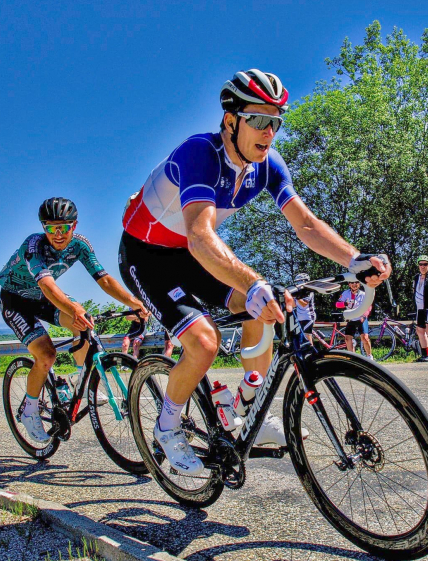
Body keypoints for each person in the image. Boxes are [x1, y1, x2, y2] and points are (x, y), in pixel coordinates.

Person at [119, 68, 391, 475]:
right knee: (205, 343)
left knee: (263, 310)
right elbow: (198, 234)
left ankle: (246, 405)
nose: (269, 132)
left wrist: (354, 260)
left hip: (194, 255)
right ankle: (168, 426)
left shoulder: (266, 165)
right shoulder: (200, 154)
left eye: (276, 122)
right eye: (259, 121)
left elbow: (306, 225)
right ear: (230, 121)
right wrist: (253, 281)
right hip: (149, 255)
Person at [0, 197, 149, 443]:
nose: (58, 234)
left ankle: (79, 378)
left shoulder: (80, 245)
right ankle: (30, 410)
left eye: (64, 227)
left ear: (74, 226)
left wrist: (133, 303)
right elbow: (47, 286)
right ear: (43, 227)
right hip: (16, 300)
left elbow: (105, 279)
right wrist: (73, 308)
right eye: (51, 228)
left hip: (44, 298)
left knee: (85, 322)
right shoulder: (34, 245)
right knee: (46, 355)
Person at [337, 280, 373, 359]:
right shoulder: (345, 293)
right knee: (347, 338)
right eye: (352, 283)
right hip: (351, 319)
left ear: (359, 284)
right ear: (349, 284)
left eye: (356, 283)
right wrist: (345, 303)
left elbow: (369, 306)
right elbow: (337, 304)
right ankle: (353, 358)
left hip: (361, 318)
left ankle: (369, 356)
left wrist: (364, 315)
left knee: (365, 338)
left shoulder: (363, 294)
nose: (354, 284)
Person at [293, 273, 316, 343]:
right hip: (300, 318)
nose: (298, 283)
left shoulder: (309, 291)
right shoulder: (297, 292)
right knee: (300, 338)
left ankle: (311, 352)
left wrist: (296, 297)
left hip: (308, 316)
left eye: (299, 281)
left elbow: (304, 303)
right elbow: (294, 305)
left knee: (307, 336)